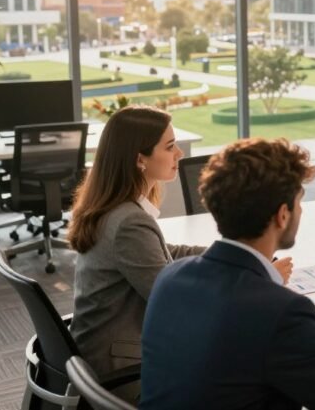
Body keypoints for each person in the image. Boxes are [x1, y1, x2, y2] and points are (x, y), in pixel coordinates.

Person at [140, 138, 315, 410]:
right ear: (282, 215)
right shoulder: (281, 311)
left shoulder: (171, 277)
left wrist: (314, 336)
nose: (301, 210)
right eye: (299, 202)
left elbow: (229, 348)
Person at [69, 106, 292, 377]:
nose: (179, 154)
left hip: (102, 349)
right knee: (252, 366)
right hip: (123, 367)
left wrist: (239, 254)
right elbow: (175, 304)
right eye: (170, 147)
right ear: (141, 159)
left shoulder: (114, 207)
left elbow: (165, 253)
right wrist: (261, 277)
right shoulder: (128, 222)